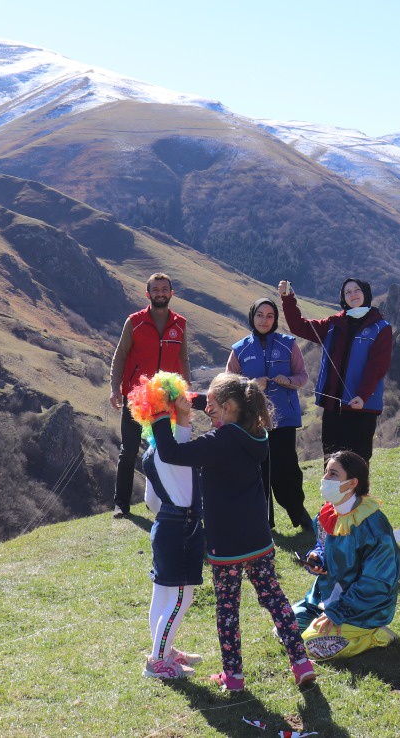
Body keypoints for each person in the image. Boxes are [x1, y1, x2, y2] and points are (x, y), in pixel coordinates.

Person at [150, 374, 316, 691]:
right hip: (258, 539)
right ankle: (301, 662)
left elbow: (171, 452)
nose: (206, 409)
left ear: (227, 408)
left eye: (211, 406)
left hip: (226, 545)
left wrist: (160, 413)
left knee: (228, 609)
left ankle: (234, 677)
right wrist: (187, 397)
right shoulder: (257, 434)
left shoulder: (219, 443)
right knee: (276, 601)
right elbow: (219, 404)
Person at [293, 450, 400, 662]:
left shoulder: (372, 526)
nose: (325, 479)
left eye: (333, 474)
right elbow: (324, 545)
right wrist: (318, 558)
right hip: (326, 597)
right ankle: (324, 624)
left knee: (311, 646)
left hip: (362, 608)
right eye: (326, 472)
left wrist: (339, 612)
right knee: (285, 628)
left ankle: (375, 635)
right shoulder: (328, 513)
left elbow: (375, 583)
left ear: (352, 484)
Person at [136, 376, 207, 681]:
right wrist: (186, 417)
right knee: (181, 598)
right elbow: (180, 438)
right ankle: (158, 660)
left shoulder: (149, 454)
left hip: (163, 524)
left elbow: (150, 501)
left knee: (162, 595)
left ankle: (163, 650)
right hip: (182, 527)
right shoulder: (174, 444)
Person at [279, 277, 393, 461]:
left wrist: (362, 396)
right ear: (343, 298)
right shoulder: (333, 324)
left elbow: (377, 367)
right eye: (347, 292)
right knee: (332, 462)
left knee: (358, 463)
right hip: (333, 408)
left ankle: (358, 491)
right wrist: (288, 298)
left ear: (366, 293)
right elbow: (298, 326)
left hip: (362, 407)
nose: (353, 294)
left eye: (357, 290)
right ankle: (333, 491)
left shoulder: (381, 328)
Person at [226, 297, 313, 534]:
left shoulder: (288, 344)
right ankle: (264, 522)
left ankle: (299, 513)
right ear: (252, 317)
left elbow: (302, 376)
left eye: (270, 316)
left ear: (275, 319)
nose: (264, 320)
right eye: (260, 315)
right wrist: (251, 385)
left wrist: (291, 381)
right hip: (251, 421)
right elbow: (227, 385)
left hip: (284, 419)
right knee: (258, 471)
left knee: (287, 469)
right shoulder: (240, 349)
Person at [108, 273, 192, 517]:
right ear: (148, 294)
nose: (160, 293)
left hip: (167, 399)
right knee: (130, 450)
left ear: (171, 293)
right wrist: (115, 388)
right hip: (137, 399)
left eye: (164, 289)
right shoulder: (134, 322)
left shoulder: (180, 323)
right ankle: (120, 504)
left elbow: (183, 359)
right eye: (155, 289)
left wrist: (186, 392)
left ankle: (162, 499)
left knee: (167, 450)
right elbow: (120, 356)